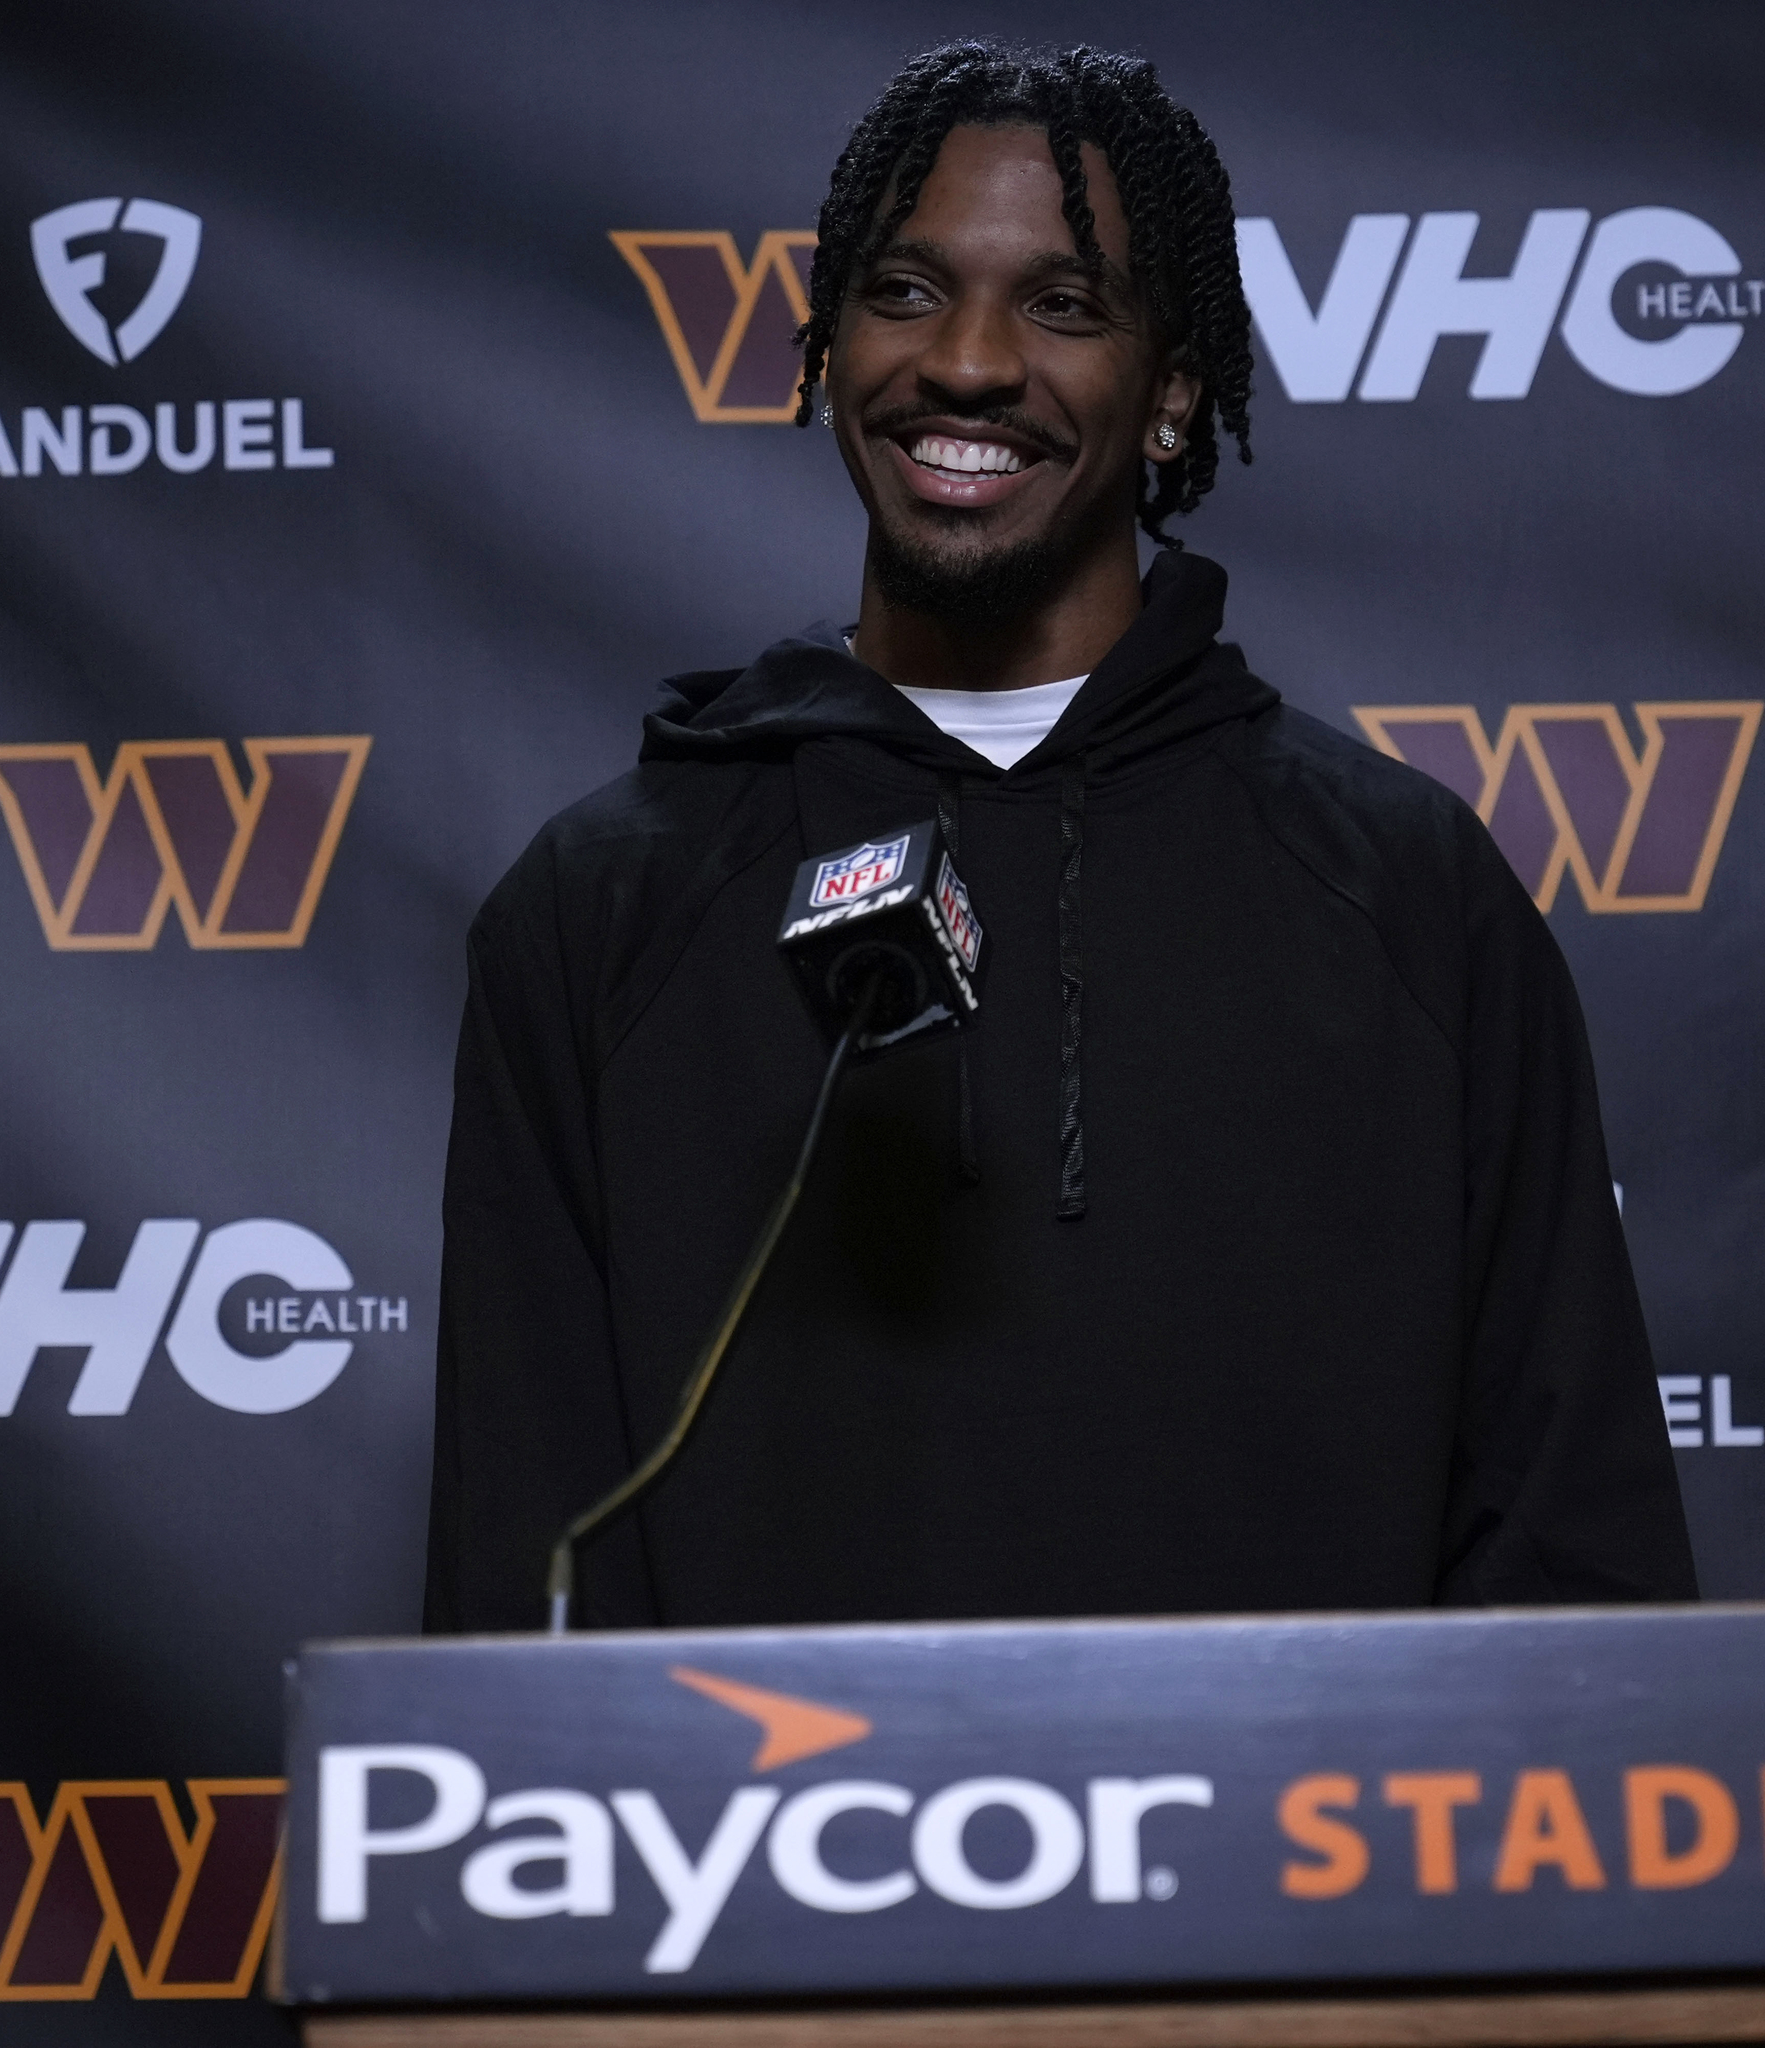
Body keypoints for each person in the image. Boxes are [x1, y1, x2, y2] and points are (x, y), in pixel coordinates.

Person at [425, 41, 1694, 1632]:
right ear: (824, 350)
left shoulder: (1408, 892)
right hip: (768, 1867)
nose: (965, 362)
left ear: (1173, 392)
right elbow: (517, 1567)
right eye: (903, 290)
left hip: (1304, 1875)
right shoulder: (604, 905)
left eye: (1064, 304)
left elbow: (1569, 1547)